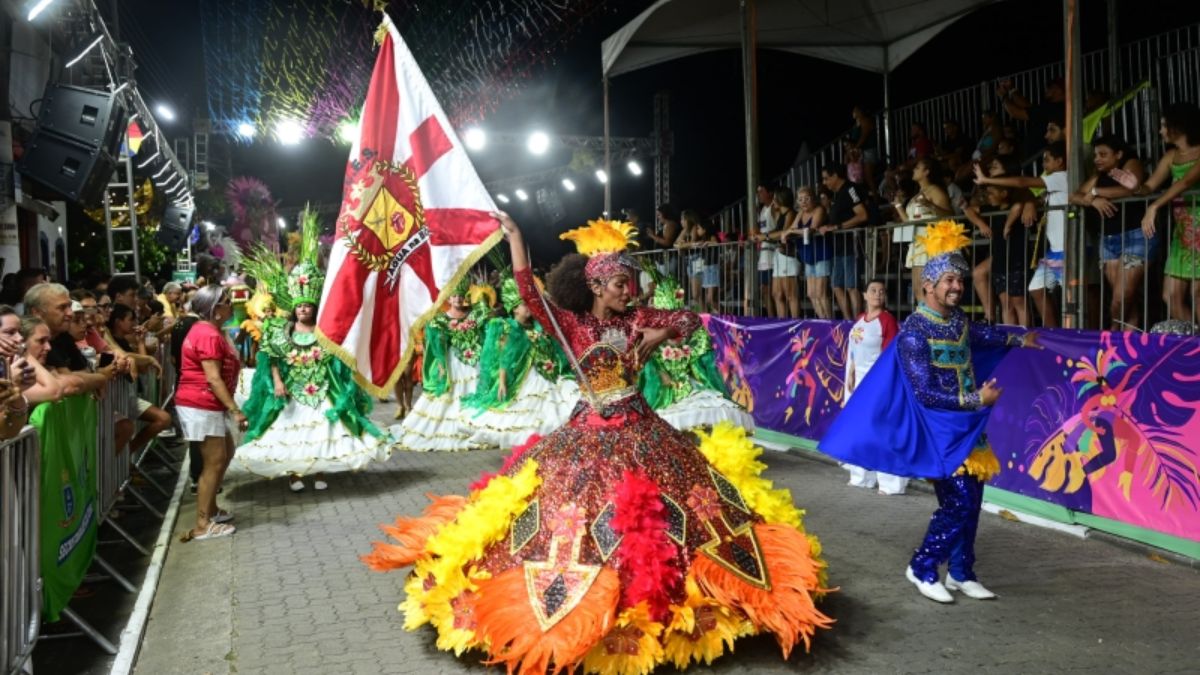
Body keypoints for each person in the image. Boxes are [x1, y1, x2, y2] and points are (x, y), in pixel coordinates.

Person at [364, 214, 832, 673]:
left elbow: (690, 319)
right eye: (620, 284)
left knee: (671, 514)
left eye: (630, 283)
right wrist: (516, 238)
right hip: (588, 430)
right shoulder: (570, 325)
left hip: (643, 427)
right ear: (595, 286)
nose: (629, 291)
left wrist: (662, 332)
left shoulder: (638, 318)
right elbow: (529, 292)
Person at [821, 221, 1039, 603]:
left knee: (973, 501)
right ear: (928, 286)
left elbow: (980, 334)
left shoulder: (957, 321)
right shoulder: (914, 333)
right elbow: (925, 394)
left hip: (968, 429)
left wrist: (1018, 340)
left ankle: (961, 572)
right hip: (939, 430)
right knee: (958, 502)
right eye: (949, 280)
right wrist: (976, 400)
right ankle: (922, 566)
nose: (957, 286)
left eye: (960, 280)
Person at [236, 218, 391, 492]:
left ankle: (320, 472)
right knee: (293, 435)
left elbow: (338, 356)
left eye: (308, 306)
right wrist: (278, 382)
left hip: (322, 389)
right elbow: (273, 359)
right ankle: (295, 475)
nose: (303, 310)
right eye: (300, 307)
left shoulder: (325, 332)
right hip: (292, 391)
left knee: (322, 431)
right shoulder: (282, 331)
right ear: (294, 309)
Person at [459, 271, 580, 448]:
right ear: (514, 308)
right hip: (522, 378)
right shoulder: (508, 327)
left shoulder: (538, 327)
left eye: (529, 304)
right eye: (524, 304)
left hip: (544, 375)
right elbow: (504, 356)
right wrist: (502, 381)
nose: (528, 308)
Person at [637, 271, 755, 432]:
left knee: (716, 412)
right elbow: (649, 376)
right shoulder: (646, 333)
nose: (671, 321)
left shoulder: (695, 331)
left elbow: (704, 369)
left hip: (691, 388)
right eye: (665, 316)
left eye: (676, 317)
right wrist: (663, 378)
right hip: (662, 393)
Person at [974, 141, 1070, 327]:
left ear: (1059, 161)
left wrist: (986, 180)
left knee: (1071, 297)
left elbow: (1022, 183)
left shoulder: (1061, 177)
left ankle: (1066, 336)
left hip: (1065, 249)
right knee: (1035, 289)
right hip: (1054, 251)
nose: (1043, 164)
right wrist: (1031, 202)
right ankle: (1051, 334)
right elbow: (1034, 197)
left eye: (1047, 160)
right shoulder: (1051, 184)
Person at [176, 285, 243, 542]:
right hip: (200, 404)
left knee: (225, 453)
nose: (231, 304)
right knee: (213, 462)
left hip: (206, 404)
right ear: (214, 309)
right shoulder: (207, 334)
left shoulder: (208, 331)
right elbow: (213, 378)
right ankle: (203, 524)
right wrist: (235, 410)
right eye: (226, 301)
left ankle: (211, 510)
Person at [390, 277, 487, 451]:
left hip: (470, 362)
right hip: (451, 363)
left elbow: (482, 333)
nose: (457, 299)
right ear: (449, 298)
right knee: (447, 395)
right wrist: (441, 364)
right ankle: (406, 408)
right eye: (454, 296)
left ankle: (474, 426)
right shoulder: (440, 320)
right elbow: (436, 346)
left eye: (460, 296)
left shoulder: (472, 316)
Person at [1073, 135, 1151, 330]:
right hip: (1108, 241)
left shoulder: (1131, 163)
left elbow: (1130, 188)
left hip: (1134, 236)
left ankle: (1113, 334)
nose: (1097, 159)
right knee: (1126, 299)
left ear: (1119, 154)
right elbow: (1074, 196)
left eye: (1103, 154)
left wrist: (1094, 193)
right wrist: (1093, 200)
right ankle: (1127, 340)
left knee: (1121, 297)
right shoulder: (1099, 175)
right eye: (1095, 155)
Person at [1137, 103, 1200, 323]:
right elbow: (1149, 186)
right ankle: (1195, 340)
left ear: (1179, 126)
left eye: (1164, 125)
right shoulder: (1171, 155)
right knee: (1170, 296)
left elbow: (1186, 182)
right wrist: (1133, 185)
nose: (1161, 131)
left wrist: (1154, 206)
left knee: (1198, 294)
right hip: (1182, 234)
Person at [841, 279, 906, 494]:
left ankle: (891, 483)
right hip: (856, 383)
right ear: (864, 295)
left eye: (882, 291)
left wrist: (880, 385)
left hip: (876, 383)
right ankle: (861, 477)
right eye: (873, 290)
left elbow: (890, 357)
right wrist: (851, 372)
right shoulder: (860, 319)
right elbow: (854, 349)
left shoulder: (887, 321)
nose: (878, 294)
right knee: (858, 430)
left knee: (881, 431)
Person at [820, 164, 869, 320]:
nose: (824, 182)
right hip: (838, 247)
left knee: (851, 287)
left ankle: (858, 322)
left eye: (826, 178)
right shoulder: (838, 194)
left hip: (851, 245)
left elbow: (862, 215)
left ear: (835, 176)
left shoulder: (850, 189)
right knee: (836, 286)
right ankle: (848, 322)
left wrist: (837, 226)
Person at [783, 186, 833, 319]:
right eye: (800, 199)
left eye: (806, 198)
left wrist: (791, 231)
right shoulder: (800, 213)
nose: (803, 202)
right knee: (811, 294)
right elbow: (792, 227)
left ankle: (831, 323)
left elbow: (811, 229)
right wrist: (788, 232)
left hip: (821, 253)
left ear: (813, 199)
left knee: (821, 293)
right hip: (808, 255)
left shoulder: (819, 209)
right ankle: (823, 321)